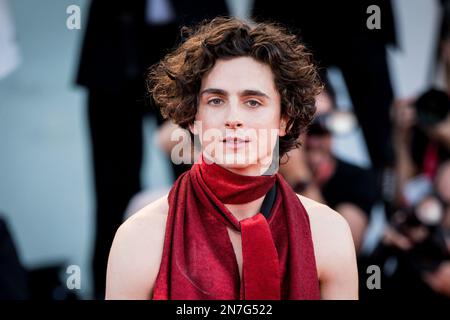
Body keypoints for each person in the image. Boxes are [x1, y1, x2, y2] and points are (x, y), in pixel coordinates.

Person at [105, 17, 358, 300]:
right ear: (192, 117)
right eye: (216, 100)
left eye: (253, 102)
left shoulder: (328, 233)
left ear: (284, 119)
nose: (233, 118)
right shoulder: (140, 238)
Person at [76, 0, 229, 299]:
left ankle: (209, 291)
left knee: (208, 190)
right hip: (114, 52)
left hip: (198, 41)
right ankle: (110, 290)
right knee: (112, 194)